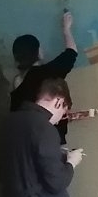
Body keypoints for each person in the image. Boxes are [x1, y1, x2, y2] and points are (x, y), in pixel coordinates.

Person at [9, 10, 90, 144]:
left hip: (24, 143)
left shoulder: (17, 83)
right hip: (50, 141)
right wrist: (66, 29)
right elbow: (71, 53)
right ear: (38, 52)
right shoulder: (47, 73)